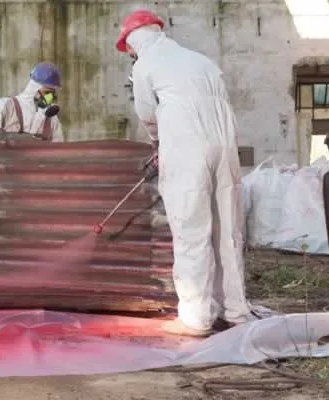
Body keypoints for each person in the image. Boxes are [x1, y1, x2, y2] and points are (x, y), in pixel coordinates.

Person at [116, 10, 256, 337]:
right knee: (228, 230)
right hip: (225, 145)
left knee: (191, 229)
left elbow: (148, 115)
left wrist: (158, 144)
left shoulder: (145, 65)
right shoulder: (201, 61)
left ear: (133, 41)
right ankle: (235, 311)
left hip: (187, 146)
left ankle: (196, 318)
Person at [0, 62, 64, 143]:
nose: (50, 98)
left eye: (52, 94)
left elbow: (58, 148)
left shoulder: (52, 119)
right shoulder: (8, 106)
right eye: (47, 92)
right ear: (34, 88)